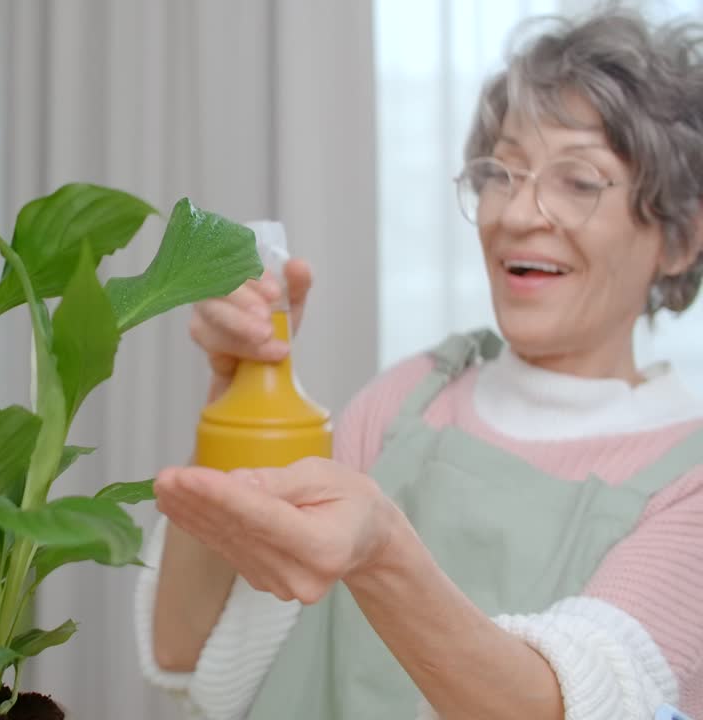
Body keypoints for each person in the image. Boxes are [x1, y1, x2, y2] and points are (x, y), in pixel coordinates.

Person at [135, 8, 703, 720]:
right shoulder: (411, 399)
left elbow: (575, 705)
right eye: (503, 172)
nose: (517, 214)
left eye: (580, 181)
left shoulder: (688, 484)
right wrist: (235, 394)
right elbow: (189, 655)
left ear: (679, 238)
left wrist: (382, 555)